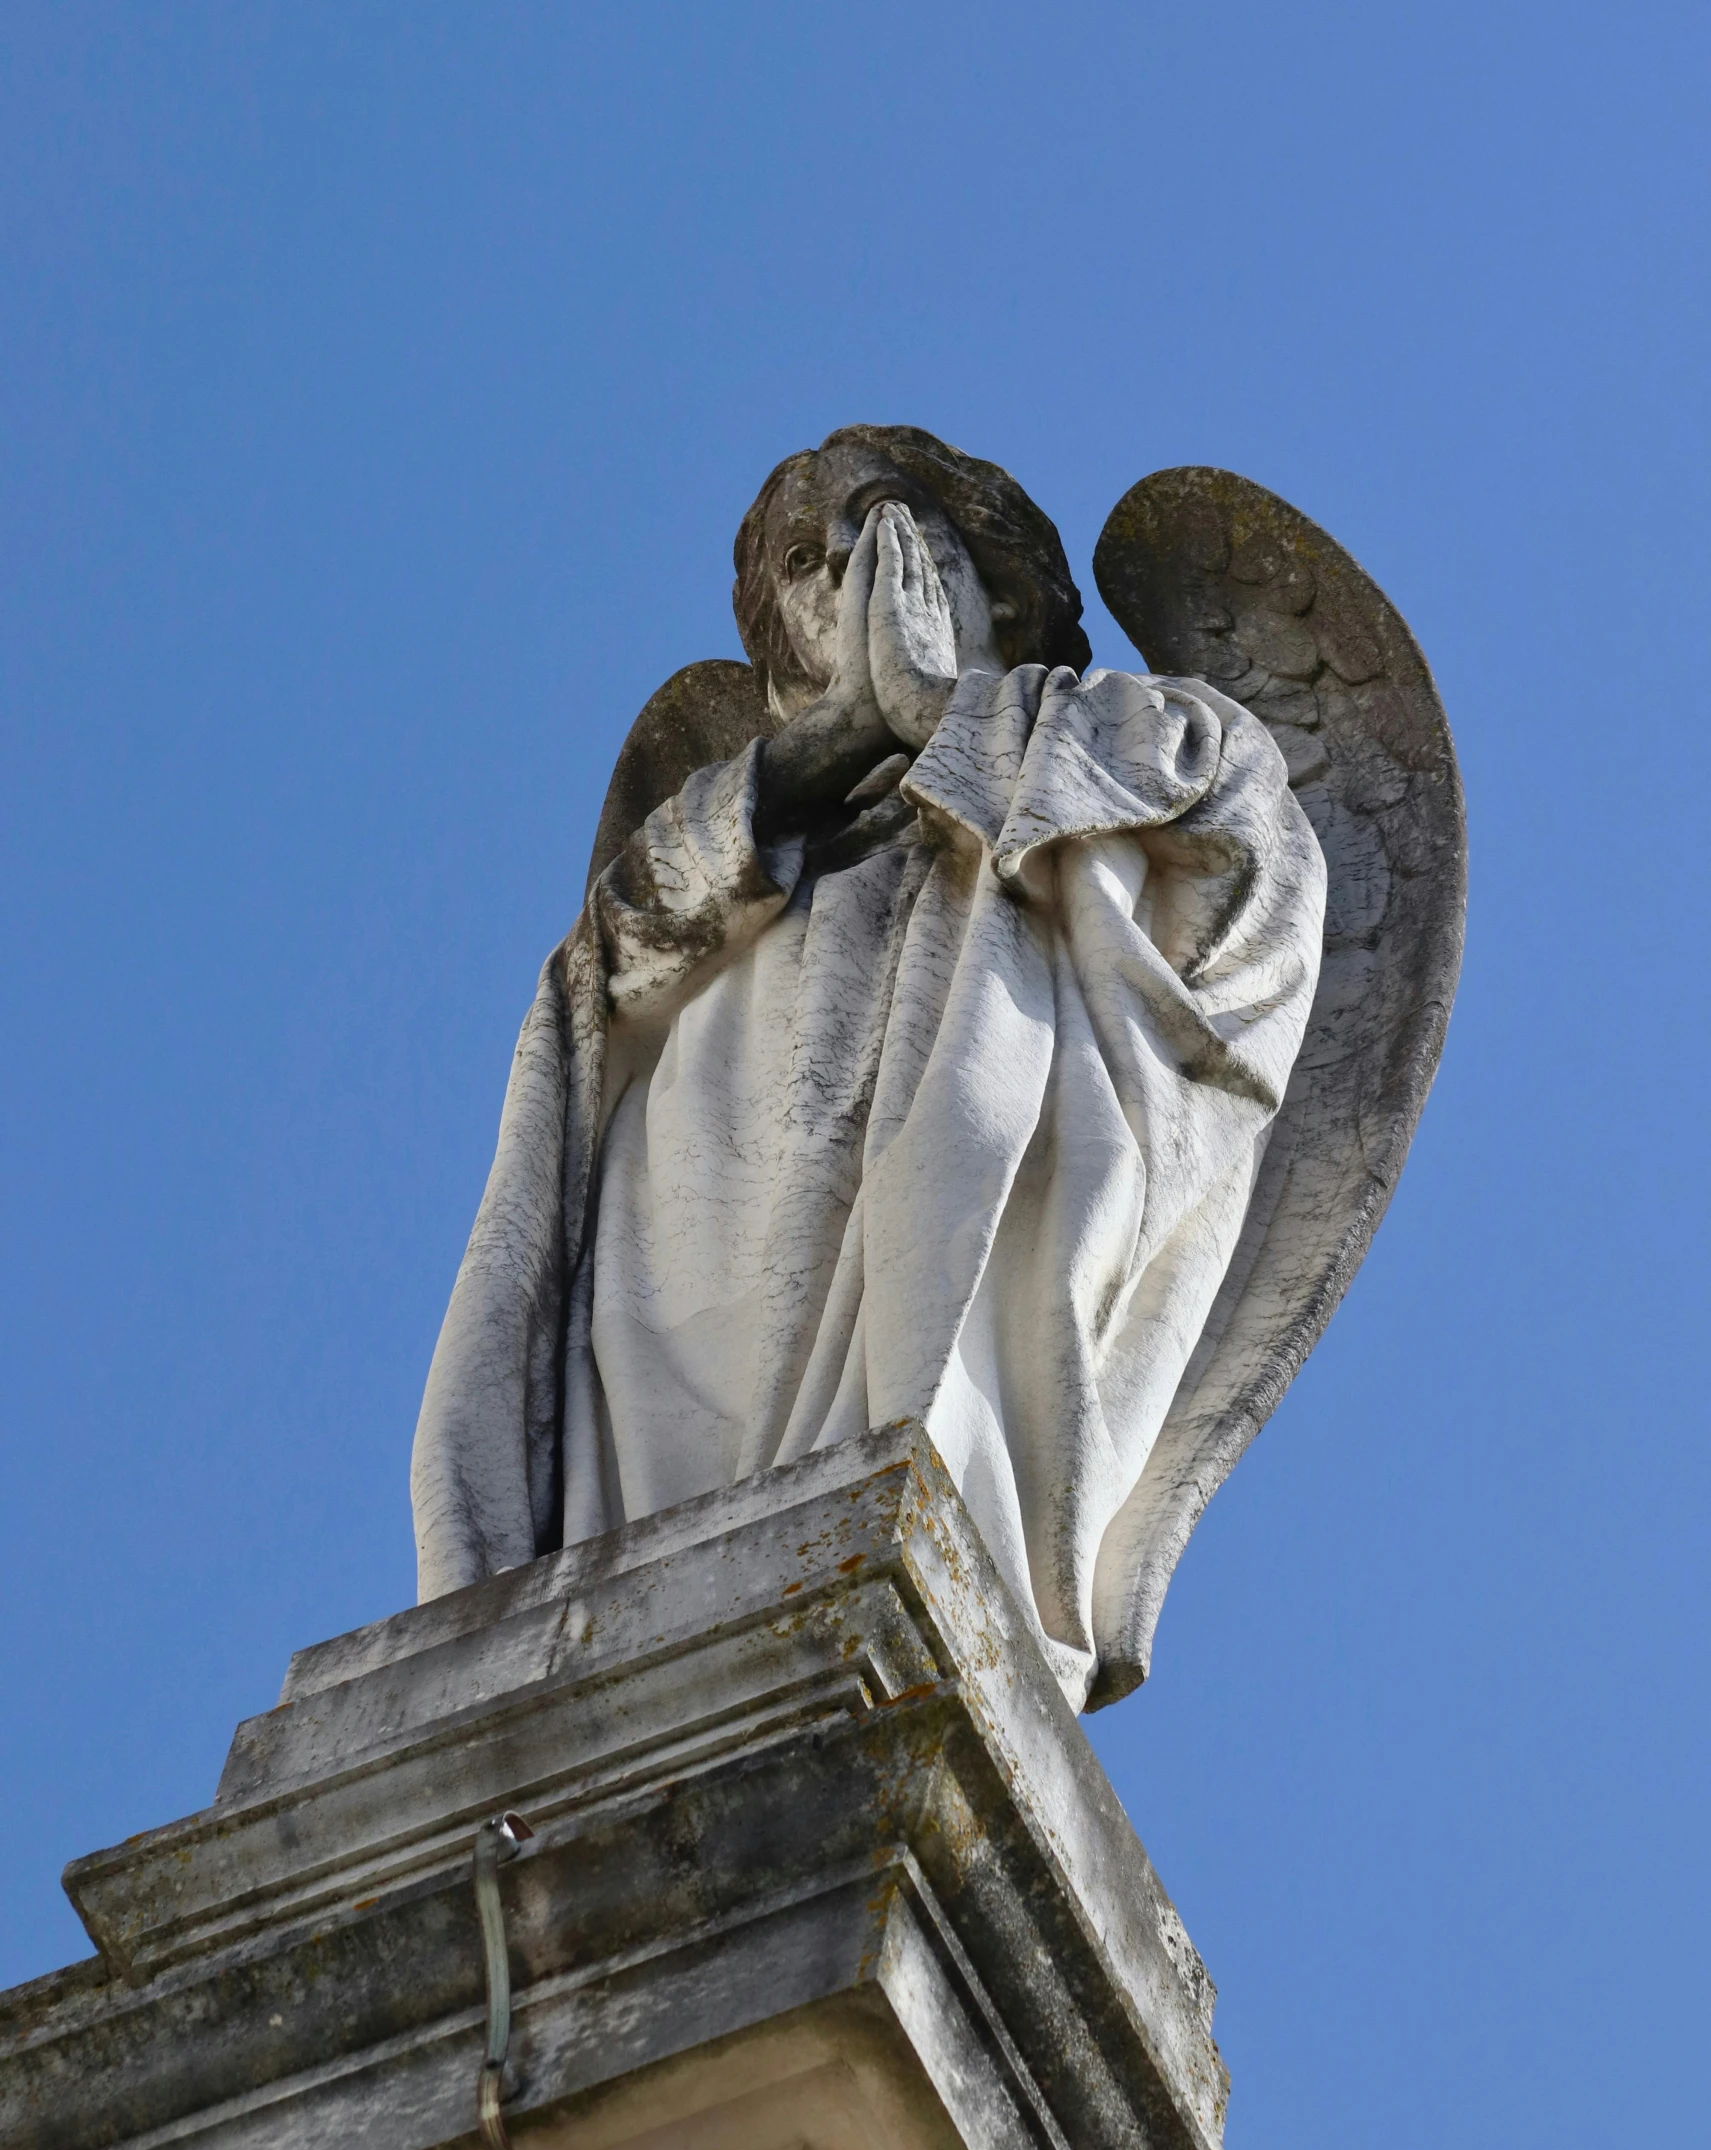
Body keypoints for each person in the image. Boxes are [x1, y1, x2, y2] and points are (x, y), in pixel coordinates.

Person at [410, 426, 1326, 1708]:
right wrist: (838, 737)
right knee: (663, 1436)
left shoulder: (1134, 730)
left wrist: (940, 715)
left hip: (973, 1055)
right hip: (709, 1155)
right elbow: (596, 982)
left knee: (932, 1308)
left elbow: (1244, 868)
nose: (842, 563)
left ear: (994, 573)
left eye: (888, 526)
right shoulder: (744, 813)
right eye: (801, 562)